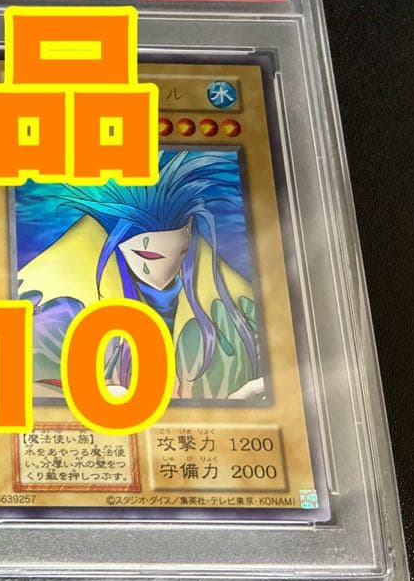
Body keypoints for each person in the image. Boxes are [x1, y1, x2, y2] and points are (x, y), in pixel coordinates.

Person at [17, 150, 264, 401]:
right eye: (149, 256)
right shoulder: (56, 308)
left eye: (182, 251)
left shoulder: (238, 308)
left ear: (189, 236)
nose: (167, 268)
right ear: (116, 242)